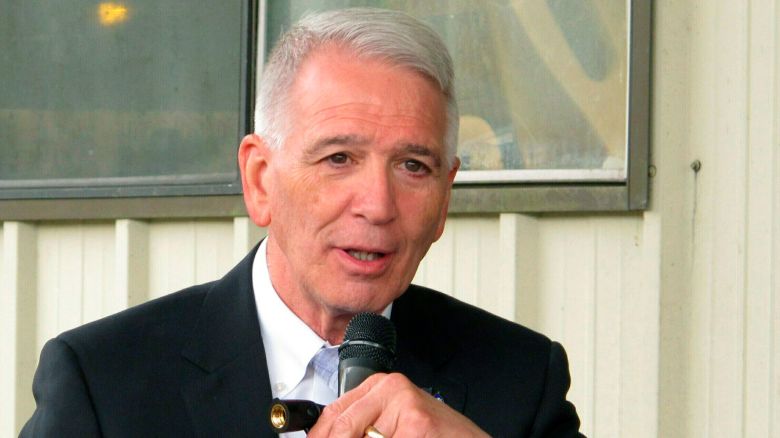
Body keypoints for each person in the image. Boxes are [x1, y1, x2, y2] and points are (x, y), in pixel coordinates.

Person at [21, 8, 582, 437]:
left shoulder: (520, 382)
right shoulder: (104, 383)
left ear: (445, 198)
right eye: (339, 158)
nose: (378, 205)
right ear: (260, 180)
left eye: (413, 166)